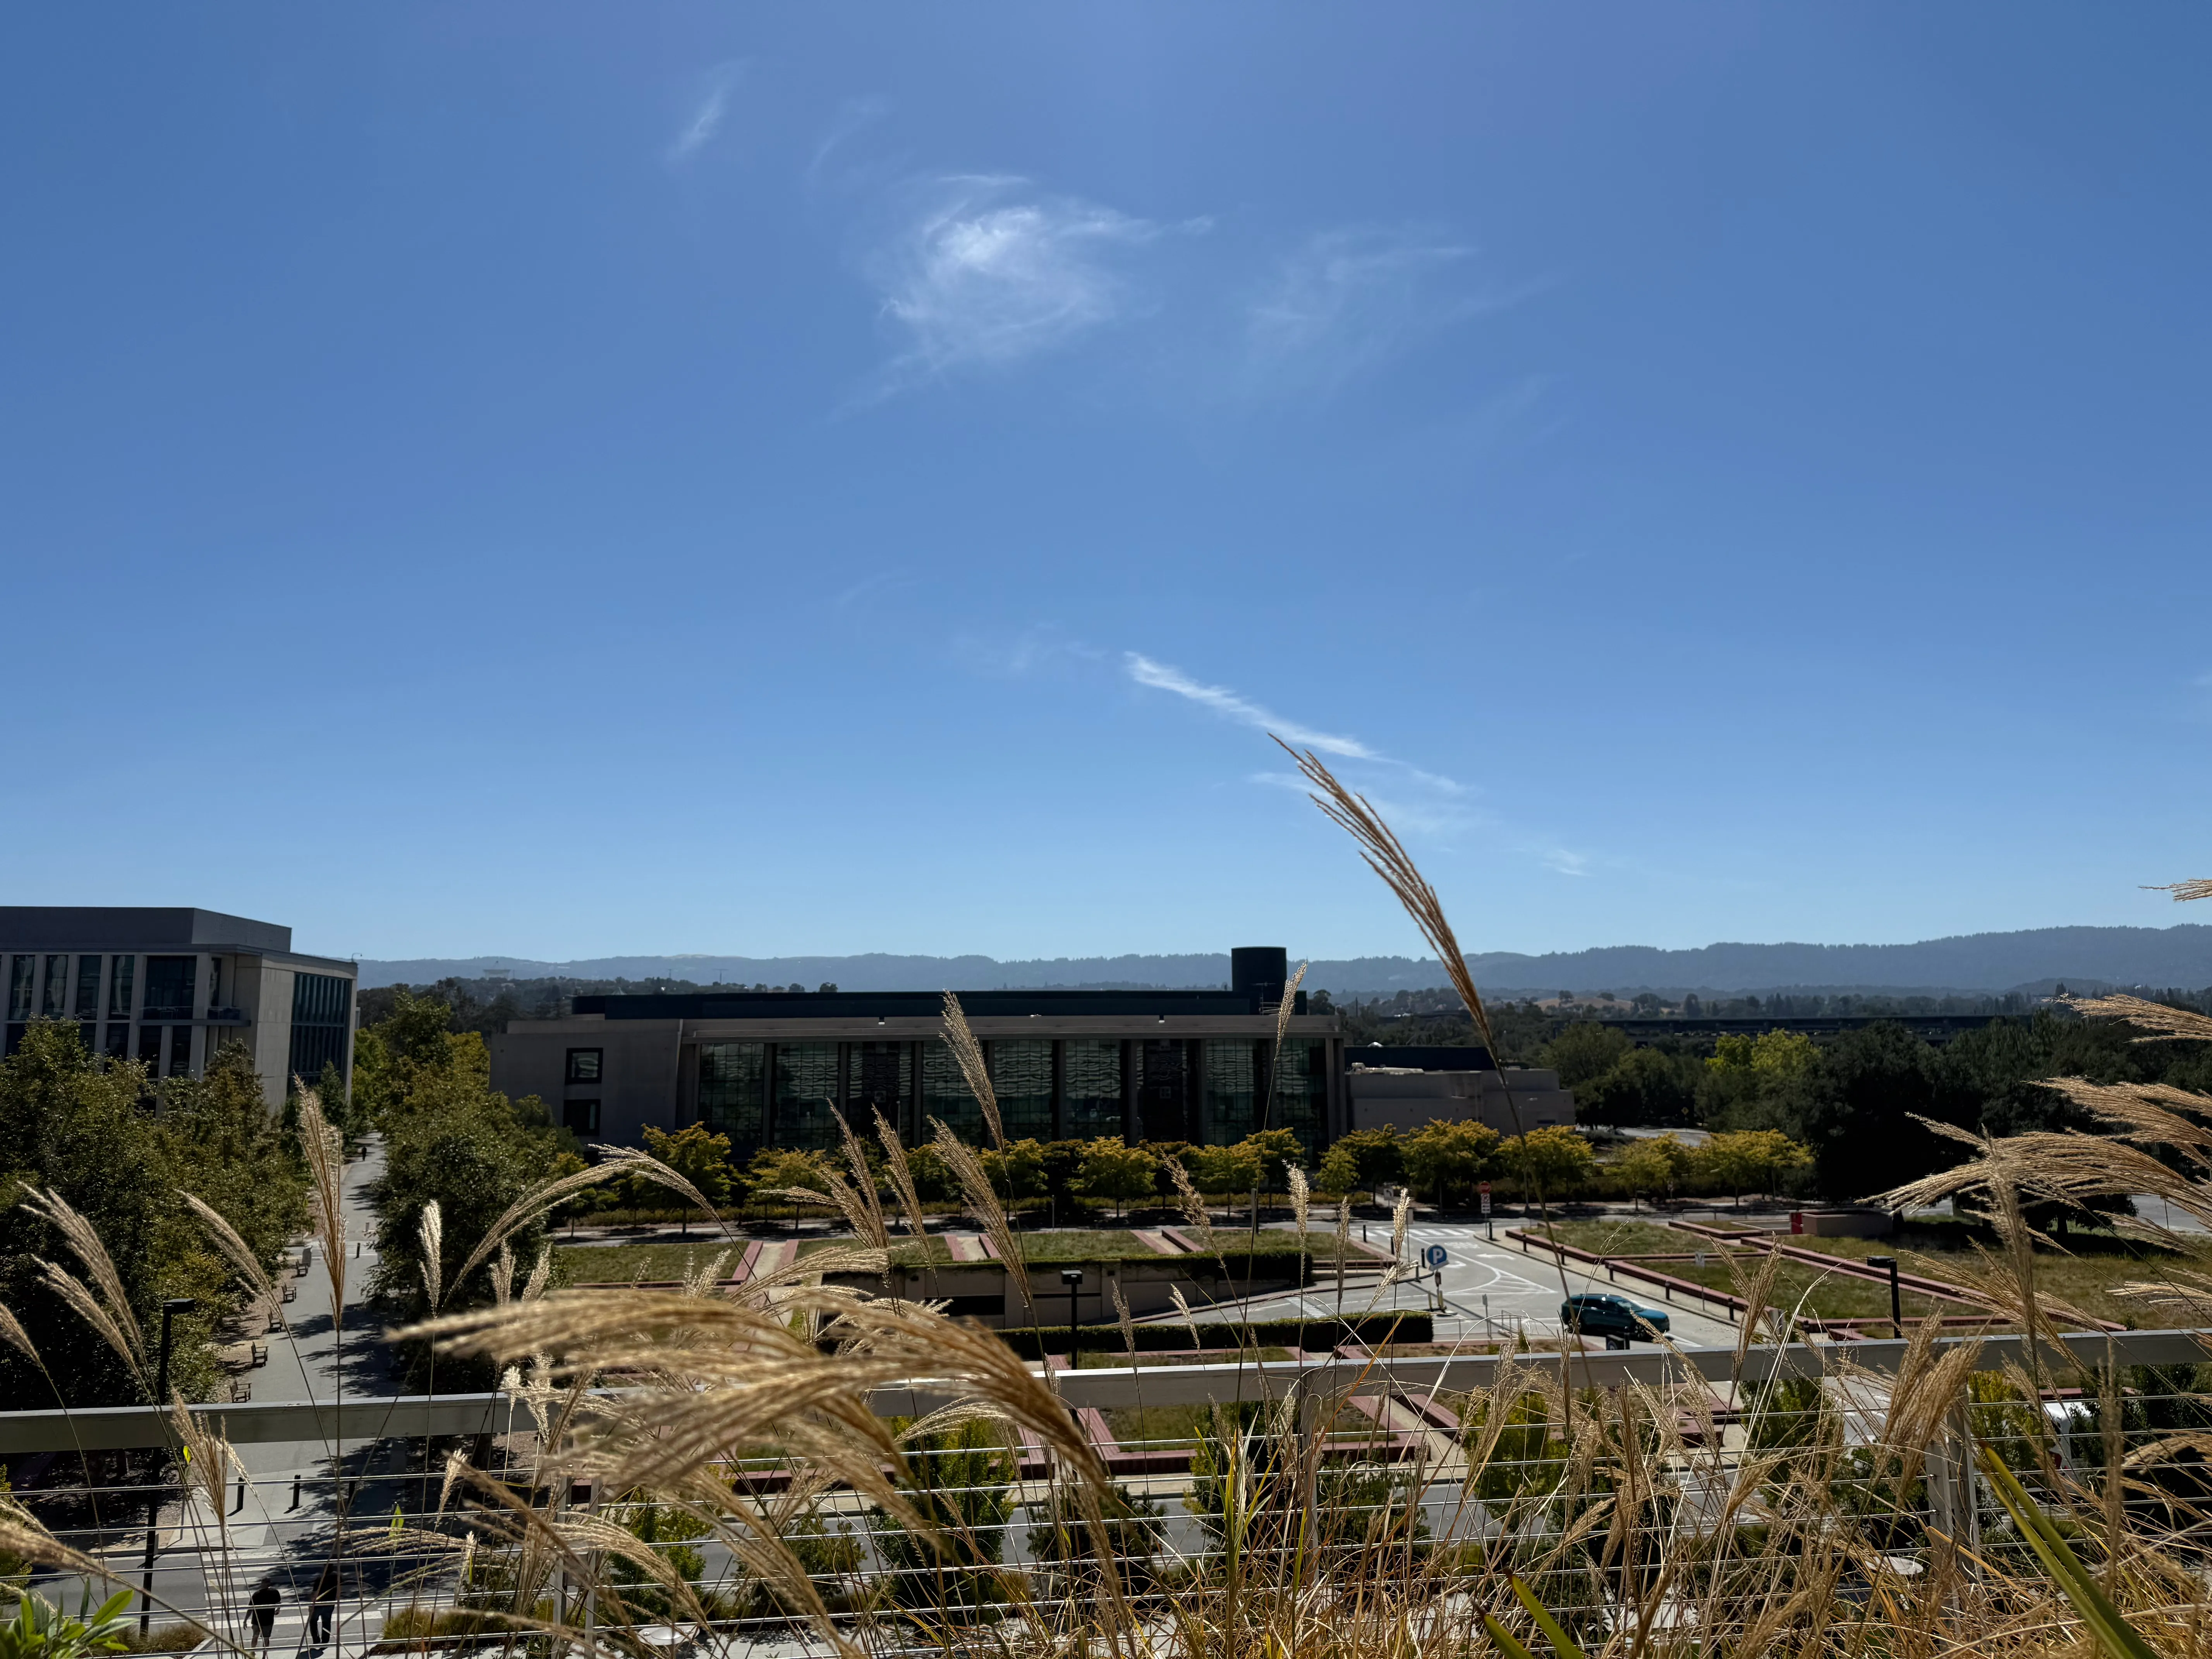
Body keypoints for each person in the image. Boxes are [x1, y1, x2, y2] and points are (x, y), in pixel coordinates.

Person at [306, 1559, 338, 1645]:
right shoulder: (337, 1577)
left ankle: (316, 1640)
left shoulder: (320, 1579)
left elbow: (315, 1593)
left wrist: (311, 1605)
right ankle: (325, 1640)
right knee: (327, 1622)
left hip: (319, 1604)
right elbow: (339, 1590)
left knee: (313, 1622)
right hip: (330, 1603)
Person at [247, 1581, 279, 1651]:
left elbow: (250, 1608)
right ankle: (256, 1653)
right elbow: (279, 1603)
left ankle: (255, 1652)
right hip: (264, 1620)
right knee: (263, 1638)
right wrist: (278, 1609)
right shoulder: (273, 1593)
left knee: (258, 1637)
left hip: (261, 1620)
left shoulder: (257, 1594)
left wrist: (245, 1620)